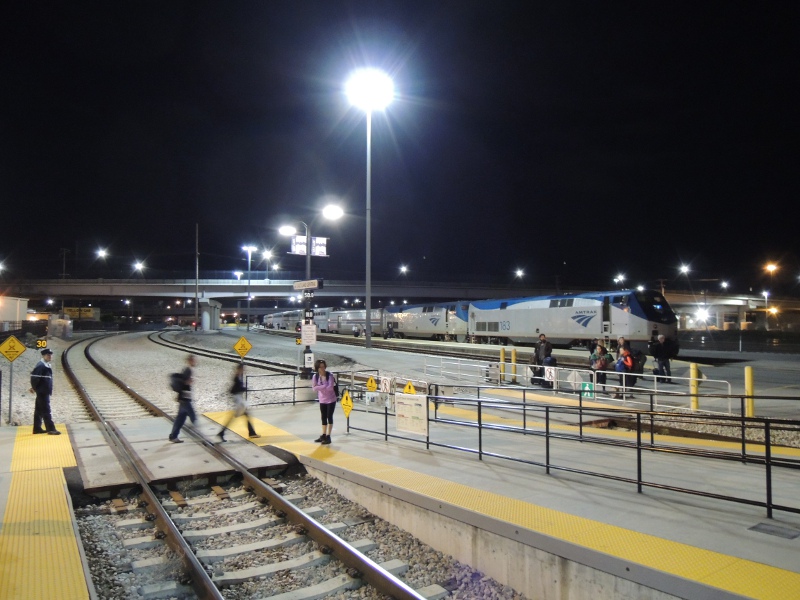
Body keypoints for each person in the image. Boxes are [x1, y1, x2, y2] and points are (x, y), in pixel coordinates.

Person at [217, 363, 259, 442]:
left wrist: (243, 388)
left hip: (238, 399)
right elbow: (234, 389)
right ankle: (222, 432)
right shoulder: (236, 377)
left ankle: (251, 432)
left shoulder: (238, 376)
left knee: (246, 414)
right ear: (239, 369)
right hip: (238, 400)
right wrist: (244, 388)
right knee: (234, 417)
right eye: (243, 369)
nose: (244, 370)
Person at [29, 348, 60, 435]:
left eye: (51, 355)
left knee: (39, 410)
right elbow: (34, 378)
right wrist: (34, 388)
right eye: (48, 355)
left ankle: (37, 428)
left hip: (43, 391)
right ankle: (51, 429)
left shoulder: (45, 365)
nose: (50, 356)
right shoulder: (41, 366)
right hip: (42, 391)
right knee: (46, 410)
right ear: (43, 356)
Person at [169, 354, 197, 443]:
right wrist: (188, 382)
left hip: (183, 398)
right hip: (185, 398)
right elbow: (184, 383)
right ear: (189, 361)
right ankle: (200, 436)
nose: (195, 362)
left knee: (180, 418)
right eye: (193, 360)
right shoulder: (188, 370)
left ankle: (173, 436)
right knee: (193, 416)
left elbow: (183, 383)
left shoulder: (187, 369)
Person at [311, 359, 337, 445]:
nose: (322, 369)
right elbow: (314, 388)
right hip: (322, 399)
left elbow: (330, 388)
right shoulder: (315, 376)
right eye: (320, 367)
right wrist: (324, 386)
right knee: (323, 417)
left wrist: (320, 386)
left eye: (323, 367)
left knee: (329, 416)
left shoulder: (330, 375)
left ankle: (328, 436)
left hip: (331, 399)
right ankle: (323, 434)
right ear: (317, 368)